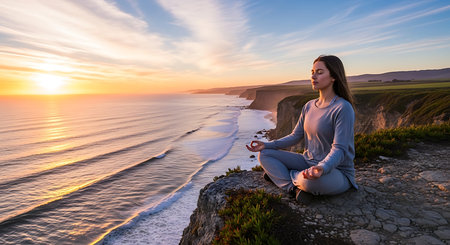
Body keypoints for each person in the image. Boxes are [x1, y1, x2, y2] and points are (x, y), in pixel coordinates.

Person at [246, 55, 357, 204]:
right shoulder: (309, 106)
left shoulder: (342, 108)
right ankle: (292, 188)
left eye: (319, 72)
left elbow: (340, 149)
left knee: (310, 183)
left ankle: (284, 176)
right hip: (307, 162)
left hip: (336, 171)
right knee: (264, 154)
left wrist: (322, 167)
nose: (313, 76)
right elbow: (295, 136)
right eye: (312, 72)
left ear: (333, 77)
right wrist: (267, 145)